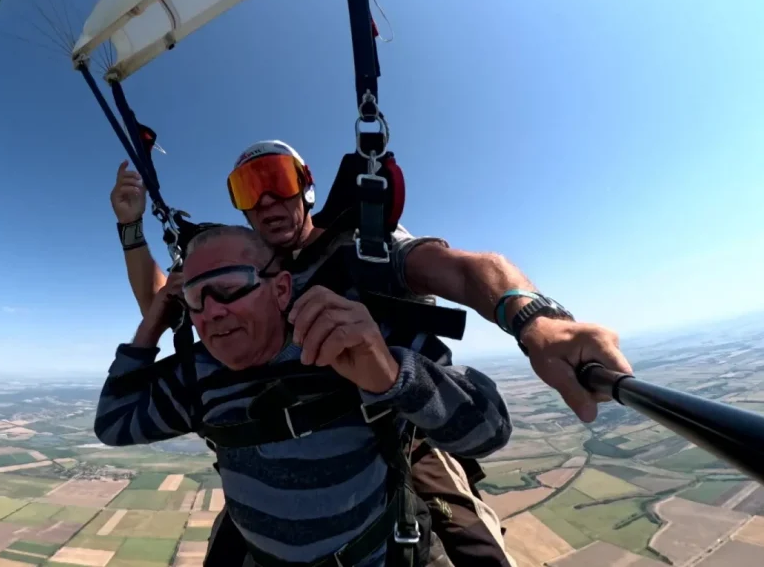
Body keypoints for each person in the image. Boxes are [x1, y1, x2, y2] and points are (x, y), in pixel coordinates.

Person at [109, 139, 629, 566]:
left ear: (306, 187)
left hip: (394, 426)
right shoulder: (241, 268)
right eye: (249, 188)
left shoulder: (362, 249)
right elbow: (170, 302)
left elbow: (464, 269)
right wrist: (132, 231)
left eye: (278, 181)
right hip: (276, 452)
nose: (266, 201)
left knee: (475, 548)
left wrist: (533, 319)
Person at [95, 225, 513, 567]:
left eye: (230, 287)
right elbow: (114, 423)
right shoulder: (197, 374)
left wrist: (391, 374)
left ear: (281, 290)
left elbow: (490, 430)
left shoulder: (352, 335)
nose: (212, 312)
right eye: (195, 298)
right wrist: (152, 324)